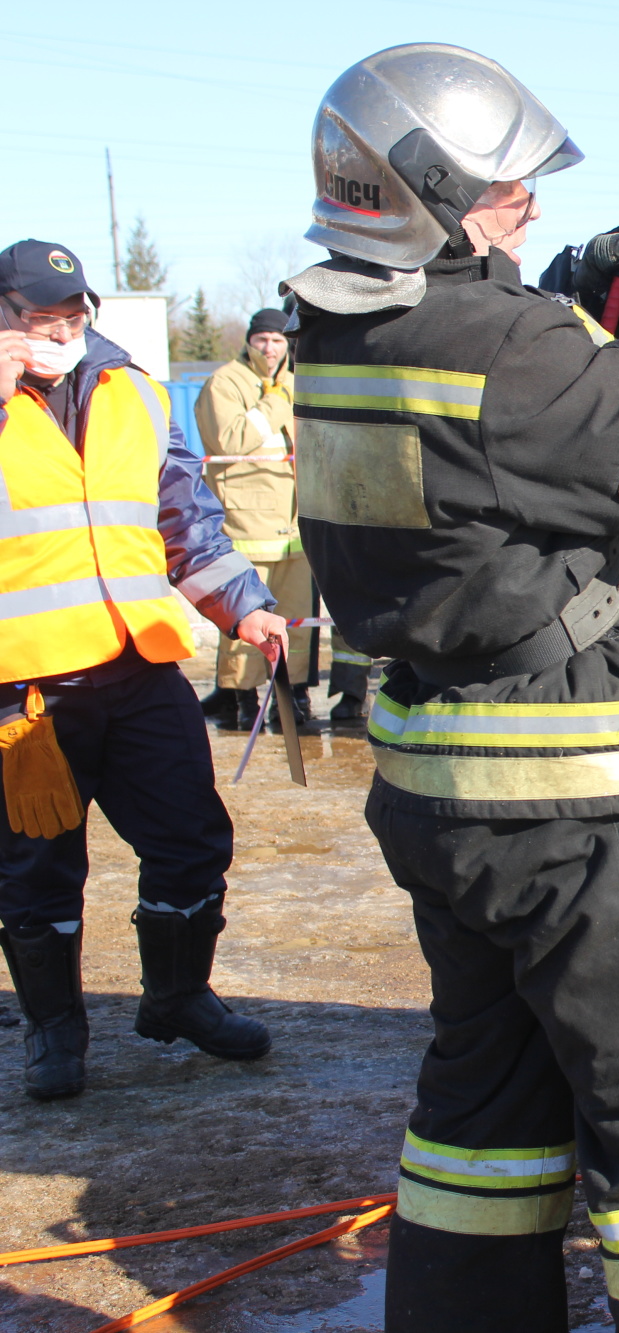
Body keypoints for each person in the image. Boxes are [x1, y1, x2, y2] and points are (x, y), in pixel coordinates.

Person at [289, 46, 619, 1332]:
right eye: (507, 188)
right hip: (563, 805)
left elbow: (484, 469)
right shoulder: (498, 345)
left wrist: (575, 300)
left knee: (487, 1115)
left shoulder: (342, 325)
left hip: (447, 794)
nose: (529, 205)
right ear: (425, 190)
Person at [0, 239, 284, 1101]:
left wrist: (244, 602)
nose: (55, 331)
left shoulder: (134, 391)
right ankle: (54, 1028)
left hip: (139, 665)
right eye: (34, 316)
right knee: (37, 871)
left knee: (192, 842)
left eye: (69, 315)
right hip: (27, 690)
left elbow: (185, 519)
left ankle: (178, 998)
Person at [194, 308, 318, 733]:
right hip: (248, 522)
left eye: (278, 340)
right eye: (262, 339)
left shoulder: (296, 381)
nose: (270, 348)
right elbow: (231, 439)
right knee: (248, 619)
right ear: (248, 342)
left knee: (296, 620)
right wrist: (278, 400)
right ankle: (243, 699)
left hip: (295, 522)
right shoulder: (226, 383)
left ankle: (294, 695)